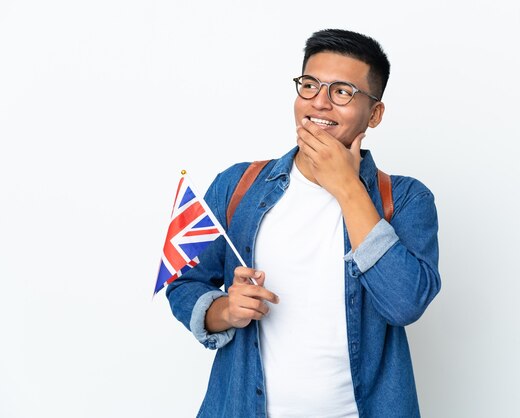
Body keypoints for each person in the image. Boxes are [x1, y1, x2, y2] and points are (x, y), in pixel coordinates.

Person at [166, 28, 441, 418]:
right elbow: (184, 281)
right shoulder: (237, 185)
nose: (320, 103)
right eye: (310, 85)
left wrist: (347, 187)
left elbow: (404, 304)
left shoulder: (407, 199)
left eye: (342, 91)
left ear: (374, 113)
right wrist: (224, 310)